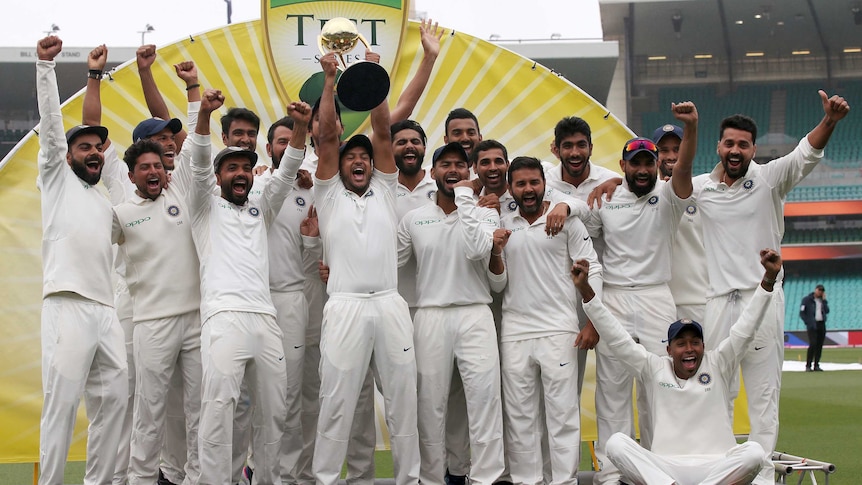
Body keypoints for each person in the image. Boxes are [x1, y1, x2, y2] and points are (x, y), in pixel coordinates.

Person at [675, 90, 850, 481]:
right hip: (717, 302)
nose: (736, 150)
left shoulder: (769, 179)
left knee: (764, 396)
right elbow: (675, 181)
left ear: (754, 149)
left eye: (743, 144)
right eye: (729, 143)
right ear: (719, 146)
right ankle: (720, 469)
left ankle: (763, 475)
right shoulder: (703, 188)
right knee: (716, 391)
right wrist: (690, 129)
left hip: (763, 298)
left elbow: (805, 154)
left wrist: (830, 121)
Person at [573, 248, 782, 485]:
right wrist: (587, 292)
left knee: (754, 452)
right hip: (667, 469)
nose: (689, 349)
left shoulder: (719, 363)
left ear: (704, 346)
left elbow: (747, 327)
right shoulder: (653, 368)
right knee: (616, 444)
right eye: (681, 344)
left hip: (716, 466)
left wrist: (768, 281)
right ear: (669, 350)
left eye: (695, 342)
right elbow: (616, 336)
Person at [187, 87, 308, 484]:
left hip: (266, 319)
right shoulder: (204, 206)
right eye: (232, 168)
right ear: (219, 176)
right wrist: (204, 113)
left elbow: (288, 170)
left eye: (245, 168)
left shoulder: (261, 206)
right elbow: (201, 159)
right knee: (219, 410)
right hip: (223, 318)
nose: (240, 174)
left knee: (275, 414)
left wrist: (303, 127)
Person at [312, 51, 420, 485]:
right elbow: (325, 138)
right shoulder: (328, 193)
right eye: (349, 157)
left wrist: (374, 75)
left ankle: (408, 479)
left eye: (364, 157)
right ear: (338, 165)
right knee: (336, 401)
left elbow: (381, 128)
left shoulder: (386, 188)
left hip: (391, 307)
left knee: (402, 402)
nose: (358, 160)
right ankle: (325, 479)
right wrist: (330, 80)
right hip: (345, 308)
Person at [584, 103, 697, 484]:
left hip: (655, 297)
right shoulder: (605, 199)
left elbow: (681, 171)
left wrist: (691, 128)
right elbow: (581, 224)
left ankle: (656, 468)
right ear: (624, 166)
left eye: (650, 162)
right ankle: (611, 473)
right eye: (637, 163)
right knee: (612, 388)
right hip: (614, 297)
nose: (645, 169)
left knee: (658, 386)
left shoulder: (667, 196)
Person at [35, 35, 129, 485]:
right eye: (84, 147)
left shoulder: (104, 199)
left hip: (105, 310)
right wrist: (45, 67)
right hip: (67, 304)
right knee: (62, 406)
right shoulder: (56, 178)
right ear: (68, 156)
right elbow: (53, 127)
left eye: (98, 148)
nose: (94, 153)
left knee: (115, 400)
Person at [397, 142, 506, 485]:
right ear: (433, 174)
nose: (453, 170)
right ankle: (431, 478)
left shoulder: (486, 214)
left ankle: (485, 479)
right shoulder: (414, 218)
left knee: (485, 401)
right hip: (429, 315)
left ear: (470, 173)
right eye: (446, 165)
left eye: (461, 165)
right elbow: (389, 264)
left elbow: (477, 250)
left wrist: (465, 199)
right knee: (429, 406)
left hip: (475, 312)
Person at [496, 156, 602, 485]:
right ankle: (528, 481)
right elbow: (497, 283)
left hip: (559, 330)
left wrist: (592, 321)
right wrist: (494, 252)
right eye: (520, 184)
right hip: (515, 332)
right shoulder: (501, 221)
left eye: (534, 183)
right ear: (510, 188)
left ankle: (564, 481)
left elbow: (593, 268)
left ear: (544, 184)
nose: (528, 190)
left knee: (562, 415)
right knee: (521, 417)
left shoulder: (566, 220)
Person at [111, 139, 203, 485]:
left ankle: (195, 478)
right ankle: (141, 479)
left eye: (158, 166)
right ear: (132, 175)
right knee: (150, 412)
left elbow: (195, 143)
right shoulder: (121, 214)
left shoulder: (178, 192)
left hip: (195, 319)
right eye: (145, 168)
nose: (154, 172)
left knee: (198, 409)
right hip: (151, 324)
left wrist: (196, 94)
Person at [800, 284, 829, 372]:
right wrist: (808, 322)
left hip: (821, 324)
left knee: (819, 345)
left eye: (822, 291)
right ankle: (808, 365)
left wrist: (824, 301)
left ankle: (816, 365)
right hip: (812, 325)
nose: (820, 292)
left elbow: (827, 311)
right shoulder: (807, 300)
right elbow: (802, 312)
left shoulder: (822, 301)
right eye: (819, 290)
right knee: (813, 344)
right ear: (815, 290)